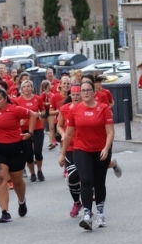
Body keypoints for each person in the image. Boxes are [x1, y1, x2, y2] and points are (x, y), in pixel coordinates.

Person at [58, 80, 115, 230]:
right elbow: (69, 134)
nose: (85, 93)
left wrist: (106, 148)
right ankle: (87, 215)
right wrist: (62, 154)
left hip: (100, 150)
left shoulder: (103, 108)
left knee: (99, 182)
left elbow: (110, 131)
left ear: (93, 92)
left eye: (88, 90)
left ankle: (100, 214)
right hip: (81, 149)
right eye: (83, 91)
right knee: (86, 180)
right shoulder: (75, 110)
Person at [0, 88, 37, 223]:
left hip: (16, 147)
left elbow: (33, 115)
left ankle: (21, 201)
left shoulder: (14, 109)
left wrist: (30, 133)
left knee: (17, 181)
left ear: (5, 99)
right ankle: (4, 212)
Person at [56, 84, 84, 218]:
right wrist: (63, 135)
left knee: (86, 178)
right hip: (70, 147)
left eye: (78, 94)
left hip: (85, 146)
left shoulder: (88, 108)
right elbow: (59, 126)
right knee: (73, 177)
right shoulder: (64, 109)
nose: (76, 97)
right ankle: (77, 202)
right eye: (73, 95)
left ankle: (88, 206)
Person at [13, 79, 46, 182]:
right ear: (21, 89)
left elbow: (44, 111)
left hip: (37, 127)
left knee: (38, 151)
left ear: (32, 88)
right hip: (24, 129)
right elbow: (14, 114)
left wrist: (39, 114)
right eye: (24, 87)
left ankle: (39, 170)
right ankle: (32, 173)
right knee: (28, 153)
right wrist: (19, 121)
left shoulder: (37, 99)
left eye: (28, 86)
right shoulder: (17, 100)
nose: (26, 88)